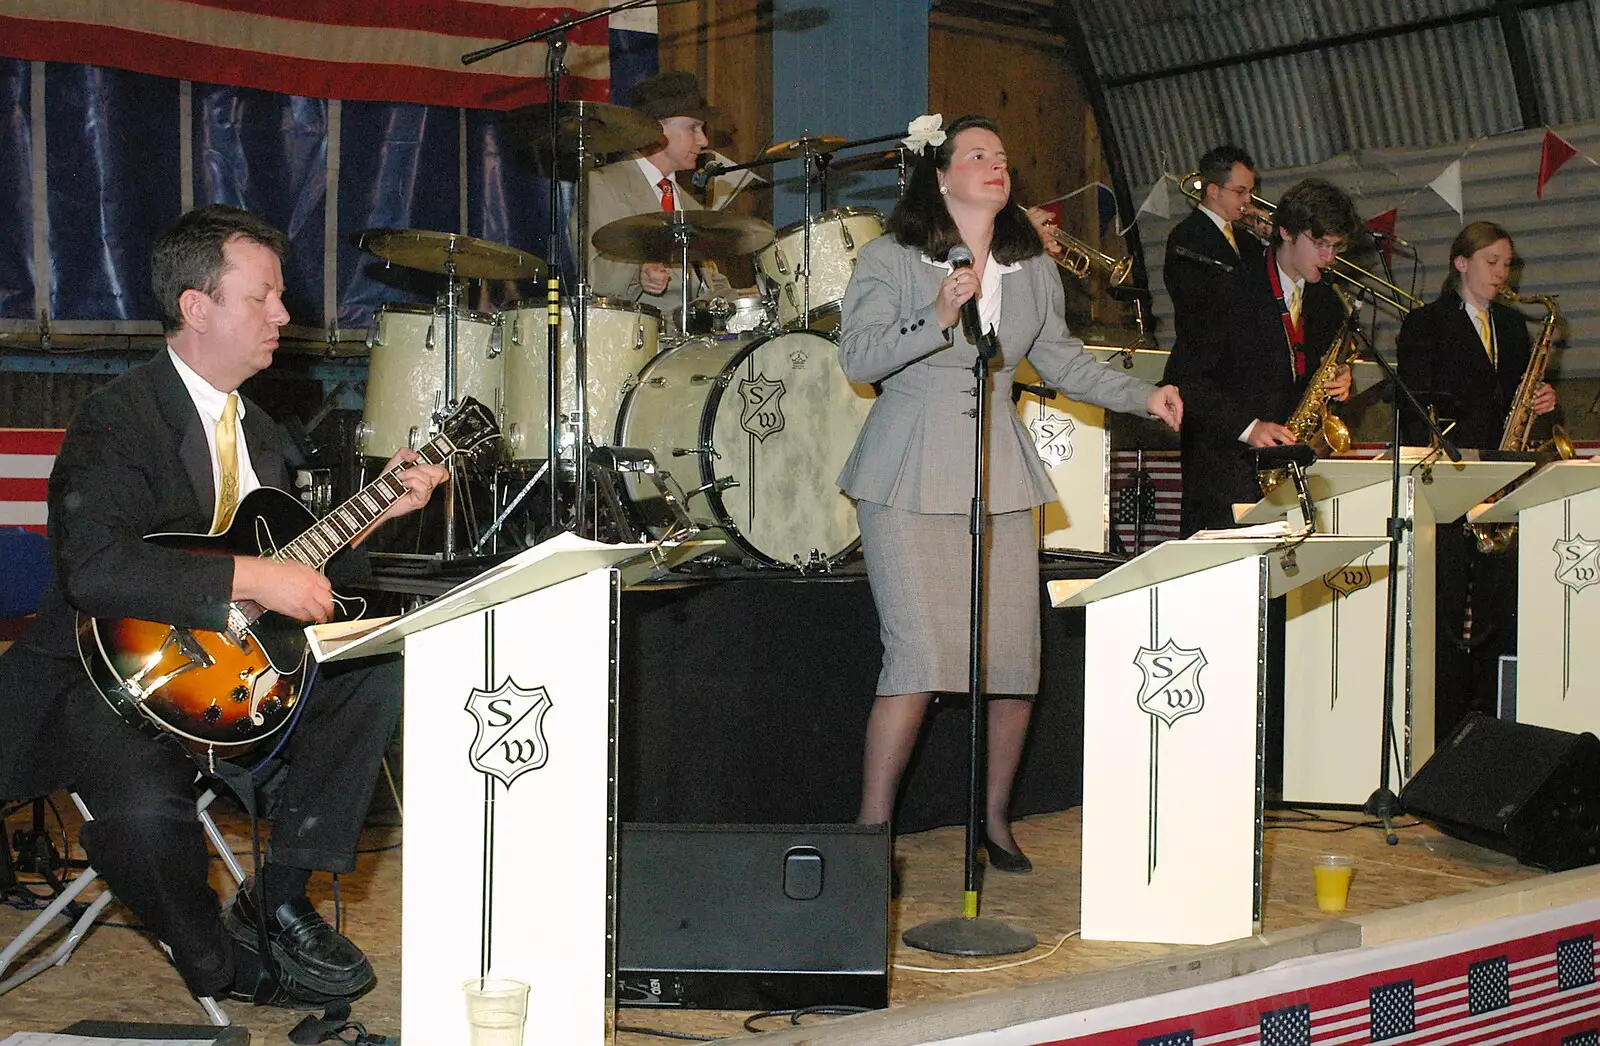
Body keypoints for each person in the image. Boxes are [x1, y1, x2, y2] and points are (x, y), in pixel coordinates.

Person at [0, 205, 447, 1007]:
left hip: (230, 683)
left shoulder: (266, 431)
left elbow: (293, 569)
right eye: (263, 297)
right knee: (141, 816)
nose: (284, 314)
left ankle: (276, 896)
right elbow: (94, 568)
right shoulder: (118, 420)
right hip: (112, 686)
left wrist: (381, 511)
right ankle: (223, 965)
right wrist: (250, 578)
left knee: (372, 668)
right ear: (196, 307)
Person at [836, 115, 1183, 872]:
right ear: (941, 175)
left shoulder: (1031, 269)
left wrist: (1142, 396)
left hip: (998, 472)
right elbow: (858, 360)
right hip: (906, 472)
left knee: (1013, 664)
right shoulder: (891, 258)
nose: (997, 166)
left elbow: (1062, 363)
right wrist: (937, 316)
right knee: (919, 659)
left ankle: (993, 820)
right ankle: (869, 836)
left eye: (1002, 156)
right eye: (977, 155)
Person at [1396, 221, 1557, 741]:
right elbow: (1412, 400)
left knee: (1496, 604)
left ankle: (1490, 719)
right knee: (1443, 602)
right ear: (1460, 263)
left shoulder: (1512, 327)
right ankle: (1442, 724)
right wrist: (1449, 447)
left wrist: (1544, 404)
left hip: (1502, 474)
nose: (1502, 273)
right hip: (1452, 476)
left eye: (1508, 263)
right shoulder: (1425, 324)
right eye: (1492, 262)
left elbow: (1516, 393)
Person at [1162, 178, 1361, 535]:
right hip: (1225, 480)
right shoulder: (1229, 291)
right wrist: (1249, 428)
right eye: (1320, 245)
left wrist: (1343, 380)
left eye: (1335, 247)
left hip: (1291, 482)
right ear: (1286, 231)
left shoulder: (1328, 302)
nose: (1329, 258)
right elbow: (1183, 379)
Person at [582, 70, 722, 315]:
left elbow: (708, 283)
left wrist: (750, 298)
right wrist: (639, 272)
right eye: (693, 128)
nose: (703, 140)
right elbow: (596, 276)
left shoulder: (691, 205)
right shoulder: (604, 185)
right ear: (657, 131)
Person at [1164, 145, 1265, 346]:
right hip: (1211, 354)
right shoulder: (1186, 236)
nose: (1249, 199)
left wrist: (1267, 238)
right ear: (1213, 191)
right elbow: (1199, 302)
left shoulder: (1246, 238)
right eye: (1240, 191)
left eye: (1250, 191)